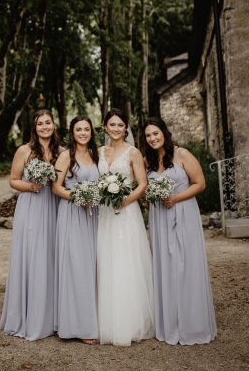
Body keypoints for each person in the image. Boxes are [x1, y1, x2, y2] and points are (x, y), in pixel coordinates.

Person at [144, 117, 217, 345]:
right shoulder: (149, 161)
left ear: (164, 133)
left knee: (186, 266)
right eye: (148, 135)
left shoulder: (182, 154)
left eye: (156, 133)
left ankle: (193, 324)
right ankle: (170, 323)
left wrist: (174, 197)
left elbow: (200, 183)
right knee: (165, 266)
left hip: (183, 213)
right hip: (159, 218)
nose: (153, 138)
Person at [0, 109, 62, 341]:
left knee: (51, 256)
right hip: (32, 206)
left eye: (48, 122)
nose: (45, 127)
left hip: (55, 206)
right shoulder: (24, 150)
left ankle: (52, 316)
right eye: (40, 124)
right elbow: (13, 180)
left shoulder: (62, 151)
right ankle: (29, 316)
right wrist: (31, 186)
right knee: (33, 255)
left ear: (54, 125)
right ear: (34, 128)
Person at [97, 108, 155, 346]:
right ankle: (106, 321)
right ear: (105, 127)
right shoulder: (99, 151)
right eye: (112, 125)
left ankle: (131, 322)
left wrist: (124, 200)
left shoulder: (133, 152)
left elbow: (142, 184)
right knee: (106, 260)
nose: (117, 129)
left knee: (126, 262)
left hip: (126, 212)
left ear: (126, 128)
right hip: (104, 214)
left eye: (121, 125)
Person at [52, 115, 100, 344]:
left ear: (91, 132)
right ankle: (78, 326)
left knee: (92, 266)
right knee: (76, 266)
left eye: (87, 129)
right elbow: (56, 187)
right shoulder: (65, 156)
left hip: (94, 216)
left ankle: (93, 318)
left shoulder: (95, 155)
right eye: (79, 129)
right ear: (72, 133)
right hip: (72, 214)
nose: (83, 133)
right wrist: (78, 197)